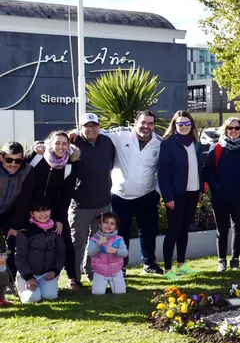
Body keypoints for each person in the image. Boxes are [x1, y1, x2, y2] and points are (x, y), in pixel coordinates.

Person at [104, 110, 164, 276]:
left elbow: (164, 170)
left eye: (150, 123)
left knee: (148, 231)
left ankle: (149, 264)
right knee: (120, 233)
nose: (146, 126)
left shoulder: (159, 143)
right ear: (135, 121)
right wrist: (74, 133)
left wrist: (157, 192)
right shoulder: (120, 135)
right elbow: (96, 132)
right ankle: (120, 267)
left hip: (147, 195)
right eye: (143, 122)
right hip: (120, 195)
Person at [26, 131, 79, 288]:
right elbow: (25, 161)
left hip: (54, 209)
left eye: (64, 144)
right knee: (22, 242)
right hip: (29, 208)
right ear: (49, 143)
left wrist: (59, 219)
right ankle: (18, 278)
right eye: (57, 143)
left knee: (66, 242)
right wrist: (35, 146)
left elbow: (66, 195)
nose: (60, 147)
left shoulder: (70, 165)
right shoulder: (37, 157)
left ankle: (72, 277)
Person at [69, 113, 116, 286]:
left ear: (99, 127)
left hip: (103, 202)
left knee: (97, 241)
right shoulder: (73, 142)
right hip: (81, 204)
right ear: (80, 127)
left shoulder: (107, 142)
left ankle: (92, 272)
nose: (91, 129)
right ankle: (74, 277)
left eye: (94, 125)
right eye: (86, 126)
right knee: (78, 241)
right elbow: (55, 145)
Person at [158, 111, 203, 279]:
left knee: (184, 230)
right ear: (174, 125)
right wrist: (168, 196)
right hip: (176, 194)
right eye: (180, 124)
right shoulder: (168, 143)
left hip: (193, 192)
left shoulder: (196, 143)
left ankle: (181, 265)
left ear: (191, 125)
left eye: (187, 123)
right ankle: (168, 270)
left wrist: (200, 191)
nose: (184, 127)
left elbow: (199, 169)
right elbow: (163, 173)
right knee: (173, 231)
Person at [204, 118, 240, 272]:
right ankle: (221, 260)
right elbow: (207, 171)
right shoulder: (216, 148)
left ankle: (235, 259)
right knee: (222, 230)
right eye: (231, 128)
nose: (234, 131)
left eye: (237, 128)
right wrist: (216, 187)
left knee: (238, 228)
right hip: (220, 197)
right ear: (225, 129)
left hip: (239, 197)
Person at [0, 142, 34, 288]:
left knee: (12, 244)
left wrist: (15, 226)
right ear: (1, 158)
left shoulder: (28, 171)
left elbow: (24, 201)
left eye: (17, 161)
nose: (13, 164)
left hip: (9, 212)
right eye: (9, 160)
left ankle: (9, 283)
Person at [15, 202, 63, 303]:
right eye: (38, 211)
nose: (43, 214)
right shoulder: (25, 232)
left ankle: (44, 287)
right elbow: (20, 258)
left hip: (47, 274)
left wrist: (55, 271)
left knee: (50, 296)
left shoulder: (56, 230)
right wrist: (28, 277)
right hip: (29, 274)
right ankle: (22, 286)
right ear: (32, 213)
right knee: (33, 299)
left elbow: (60, 255)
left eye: (46, 210)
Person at [87, 212, 128, 295]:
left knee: (120, 292)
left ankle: (115, 284)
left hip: (116, 272)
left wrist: (115, 251)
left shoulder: (119, 239)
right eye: (106, 222)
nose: (109, 225)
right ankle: (102, 285)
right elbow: (91, 253)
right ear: (100, 224)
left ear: (115, 227)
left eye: (112, 224)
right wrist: (98, 244)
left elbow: (125, 253)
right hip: (100, 272)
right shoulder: (94, 239)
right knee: (98, 293)